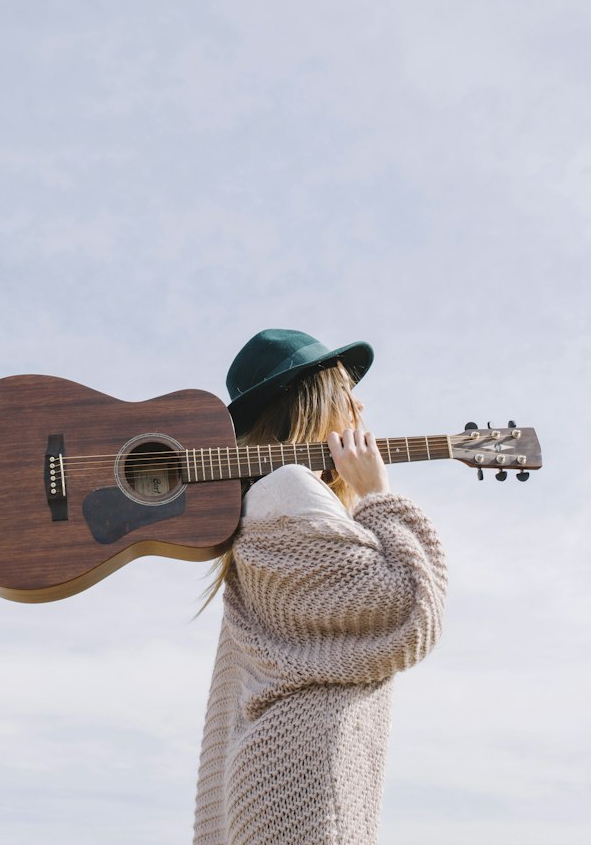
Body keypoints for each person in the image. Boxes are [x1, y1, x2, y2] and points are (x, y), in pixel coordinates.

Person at [192, 329, 447, 845]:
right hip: (303, 787)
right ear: (315, 403)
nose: (360, 406)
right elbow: (407, 607)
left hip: (275, 780)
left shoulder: (261, 508)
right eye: (346, 392)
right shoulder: (288, 490)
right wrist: (378, 495)